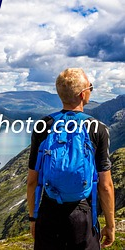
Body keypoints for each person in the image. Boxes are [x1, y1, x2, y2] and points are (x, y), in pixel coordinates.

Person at [27, 68, 115, 250]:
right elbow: (105, 185)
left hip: (49, 212)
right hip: (82, 215)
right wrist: (110, 225)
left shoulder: (43, 125)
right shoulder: (97, 129)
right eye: (91, 87)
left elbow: (32, 181)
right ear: (83, 94)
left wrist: (33, 218)